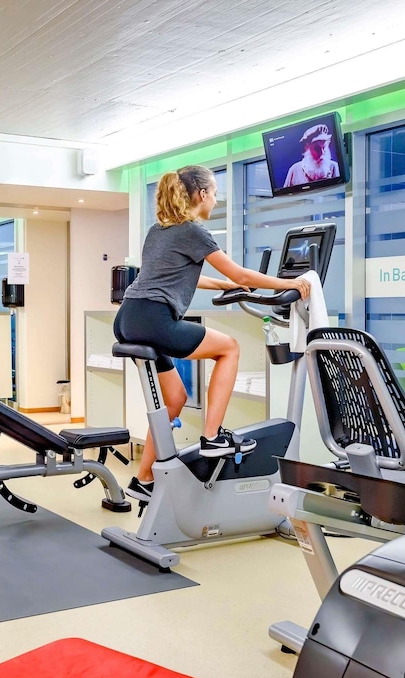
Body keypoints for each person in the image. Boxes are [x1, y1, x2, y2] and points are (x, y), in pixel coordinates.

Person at [115, 165, 311, 503]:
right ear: (202, 194)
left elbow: (177, 275)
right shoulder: (193, 230)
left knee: (174, 399)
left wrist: (223, 285)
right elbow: (239, 273)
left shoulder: (159, 230)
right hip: (154, 319)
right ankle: (212, 438)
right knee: (229, 348)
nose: (216, 200)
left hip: (129, 318)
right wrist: (289, 283)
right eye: (215, 193)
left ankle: (143, 479)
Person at [283, 123, 340, 188]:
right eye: (317, 148)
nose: (322, 153)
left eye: (324, 148)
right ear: (307, 148)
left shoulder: (334, 167)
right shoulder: (294, 170)